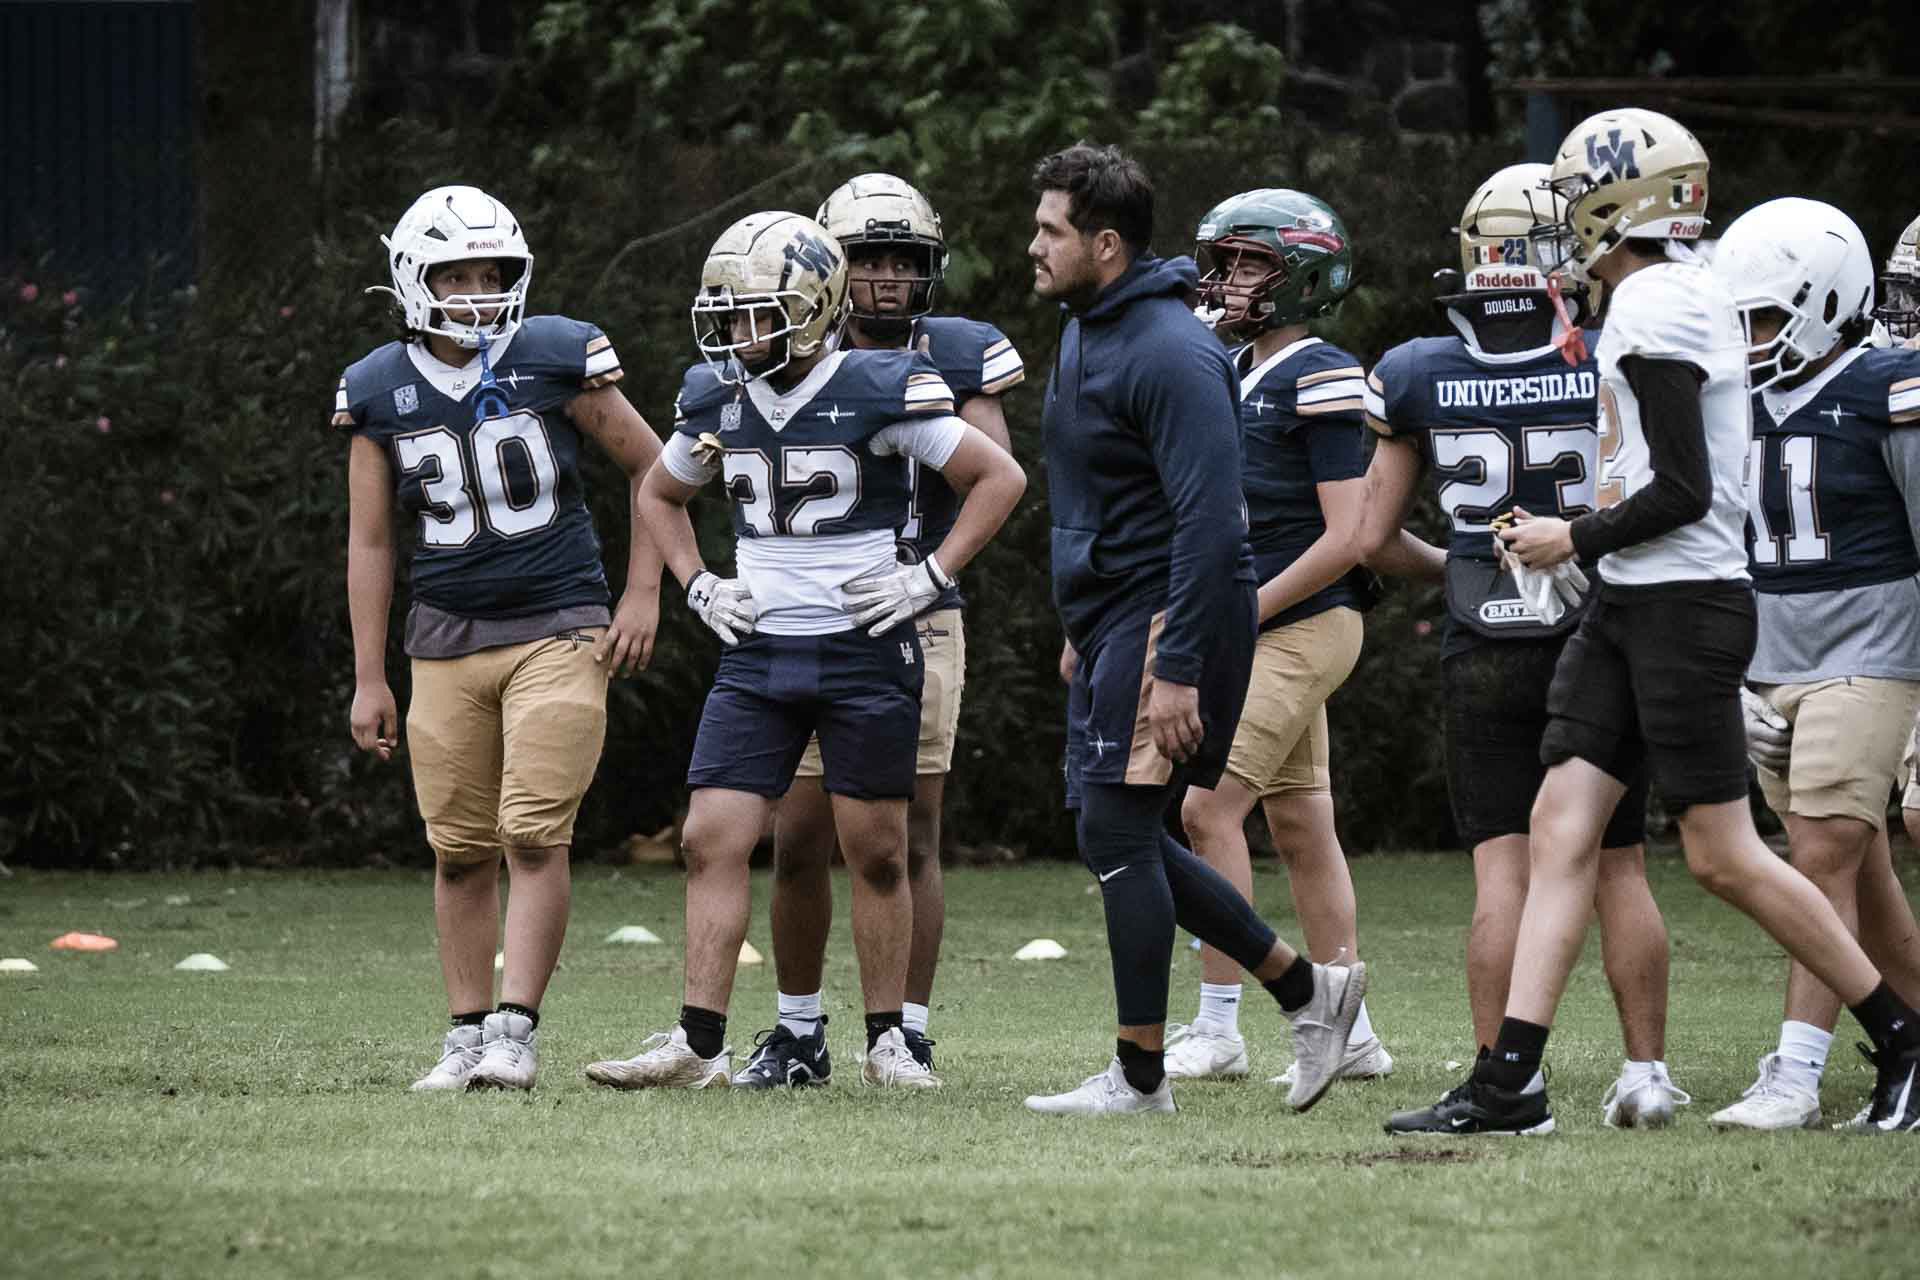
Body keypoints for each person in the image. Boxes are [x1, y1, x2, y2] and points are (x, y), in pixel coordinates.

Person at [1387, 107, 1920, 1137]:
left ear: (1616, 200)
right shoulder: (1665, 292)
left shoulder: (1659, 302)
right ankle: (1510, 1083)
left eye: (1577, 194)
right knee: (1561, 824)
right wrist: (1592, 549)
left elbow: (1683, 488)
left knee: (1722, 854)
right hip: (1635, 599)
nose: (1564, 218)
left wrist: (1570, 536)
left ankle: (1902, 1036)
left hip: (1680, 603)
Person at [582, 211, 1024, 1091]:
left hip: (866, 648)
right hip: (759, 654)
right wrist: (697, 584)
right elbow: (659, 493)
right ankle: (698, 1042)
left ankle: (889, 1041)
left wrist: (928, 576)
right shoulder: (716, 395)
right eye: (728, 315)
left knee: (879, 851)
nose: (739, 334)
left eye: (758, 313)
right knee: (710, 837)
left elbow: (998, 477)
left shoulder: (882, 383)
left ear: (816, 307)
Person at [1020, 142, 1365, 1118]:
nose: (1033, 246)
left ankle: (1141, 1075)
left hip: (1165, 616)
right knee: (1113, 828)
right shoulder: (1086, 326)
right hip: (1115, 619)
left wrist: (1175, 665)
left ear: (1107, 245)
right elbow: (1104, 500)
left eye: (1050, 230)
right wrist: (1084, 625)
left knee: (1121, 831)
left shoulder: (1172, 351)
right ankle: (1308, 990)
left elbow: (1213, 525)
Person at [1365, 163, 1683, 1130]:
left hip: (1485, 644)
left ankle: (1505, 1082)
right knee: (1619, 865)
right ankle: (1646, 1071)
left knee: (1503, 872)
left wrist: (1466, 567)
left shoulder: (1417, 368)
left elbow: (1372, 538)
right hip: (1600, 630)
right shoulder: (1610, 349)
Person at [337, 185, 663, 1092]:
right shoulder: (377, 385)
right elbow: (370, 540)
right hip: (442, 636)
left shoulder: (555, 353)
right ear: (415, 279)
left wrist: (644, 592)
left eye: (493, 273)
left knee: (532, 832)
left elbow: (654, 466)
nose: (479, 293)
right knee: (458, 847)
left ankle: (515, 1032)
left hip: (559, 621)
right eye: (457, 276)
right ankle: (465, 1033)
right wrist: (370, 676)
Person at [740, 175, 1023, 1087]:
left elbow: (995, 474)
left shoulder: (959, 351)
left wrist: (928, 574)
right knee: (796, 836)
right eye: (869, 258)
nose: (889, 277)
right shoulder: (784, 344)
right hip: (805, 625)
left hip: (916, 616)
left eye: (905, 259)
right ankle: (798, 1033)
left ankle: (906, 1032)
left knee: (909, 837)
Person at [1163, 187, 1393, 1089]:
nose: (1227, 280)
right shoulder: (1229, 364)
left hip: (1303, 620)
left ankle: (1219, 1025)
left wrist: (1242, 611)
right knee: (1300, 823)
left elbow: (1348, 535)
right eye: (1222, 262)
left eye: (1250, 262)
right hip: (1267, 623)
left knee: (1205, 810)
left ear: (1304, 274)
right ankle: (1355, 1030)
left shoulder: (1319, 371)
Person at [1703, 197, 1920, 1130]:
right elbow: (1714, 548)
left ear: (1827, 302)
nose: (1748, 340)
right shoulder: (1733, 403)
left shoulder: (1891, 386)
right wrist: (1726, 678)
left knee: (1821, 853)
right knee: (1857, 874)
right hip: (1768, 660)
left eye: (1763, 318)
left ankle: (1793, 1076)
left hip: (1870, 649)